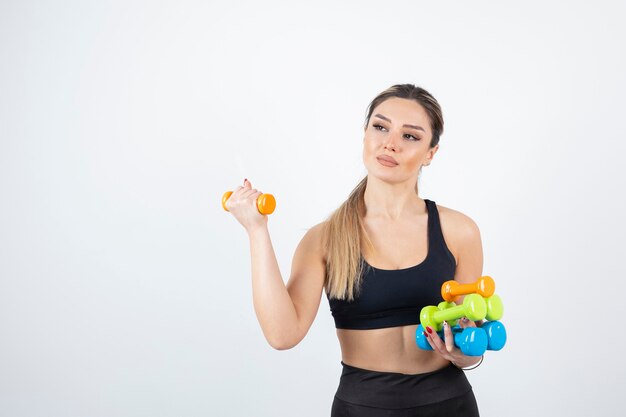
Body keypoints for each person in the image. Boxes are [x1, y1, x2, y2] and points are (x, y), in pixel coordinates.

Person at [225, 84, 484, 416]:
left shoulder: (459, 231)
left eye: (410, 136)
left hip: (448, 404)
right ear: (364, 134)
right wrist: (257, 230)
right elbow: (282, 334)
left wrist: (467, 356)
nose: (390, 142)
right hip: (363, 407)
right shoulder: (324, 239)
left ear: (430, 153)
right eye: (380, 126)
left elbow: (469, 338)